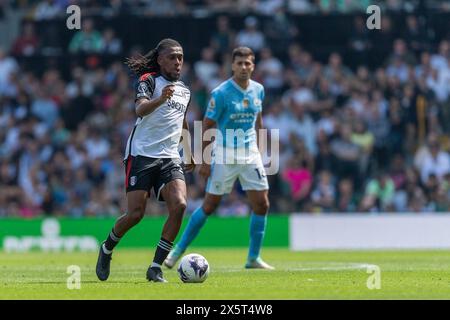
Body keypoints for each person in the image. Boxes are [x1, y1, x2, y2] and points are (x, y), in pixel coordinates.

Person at [164, 47, 274, 270]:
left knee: (262, 204)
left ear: (253, 66)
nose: (244, 67)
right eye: (240, 63)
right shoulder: (221, 93)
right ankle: (177, 251)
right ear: (232, 65)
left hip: (250, 153)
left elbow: (258, 120)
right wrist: (205, 161)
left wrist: (261, 150)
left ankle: (253, 258)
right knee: (209, 205)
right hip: (225, 154)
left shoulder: (258, 90)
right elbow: (207, 125)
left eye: (248, 63)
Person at [96, 39, 195, 283]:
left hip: (170, 156)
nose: (177, 61)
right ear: (160, 59)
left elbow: (181, 121)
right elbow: (140, 110)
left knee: (180, 204)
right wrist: (160, 99)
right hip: (141, 154)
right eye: (172, 57)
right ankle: (107, 248)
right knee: (136, 213)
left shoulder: (185, 90)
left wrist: (190, 151)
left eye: (180, 57)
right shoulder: (148, 81)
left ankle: (155, 267)